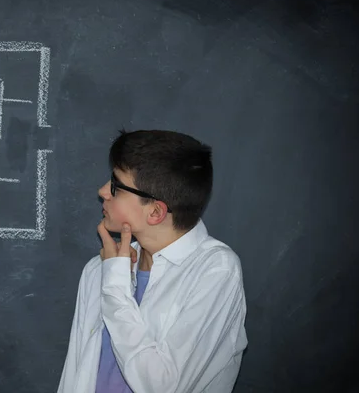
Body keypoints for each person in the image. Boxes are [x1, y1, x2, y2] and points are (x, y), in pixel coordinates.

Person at [57, 129, 248, 393]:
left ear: (156, 211)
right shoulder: (99, 269)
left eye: (116, 185)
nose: (102, 192)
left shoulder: (215, 270)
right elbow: (76, 372)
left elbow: (161, 386)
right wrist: (112, 275)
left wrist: (115, 286)